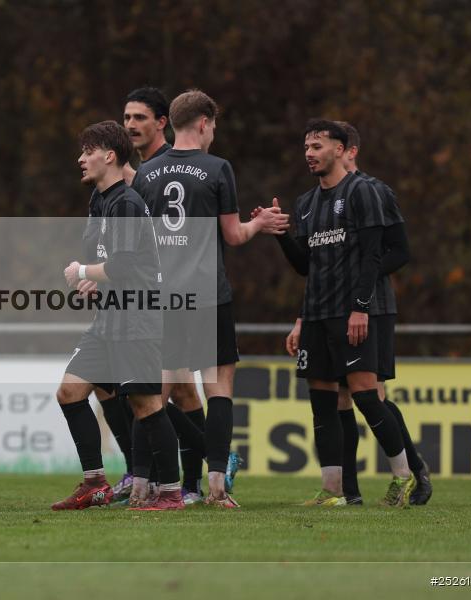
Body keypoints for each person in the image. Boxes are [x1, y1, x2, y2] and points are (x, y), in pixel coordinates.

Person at [131, 89, 289, 508]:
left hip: (161, 298)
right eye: (214, 126)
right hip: (207, 297)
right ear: (203, 123)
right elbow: (234, 236)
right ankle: (216, 486)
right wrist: (260, 223)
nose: (213, 133)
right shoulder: (218, 168)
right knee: (217, 389)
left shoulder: (146, 173)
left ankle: (141, 484)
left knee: (154, 392)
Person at [280, 121, 431, 505]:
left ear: (343, 149)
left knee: (367, 395)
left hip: (358, 310)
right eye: (306, 147)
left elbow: (378, 254)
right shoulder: (305, 202)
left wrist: (359, 305)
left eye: (317, 145)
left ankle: (405, 476)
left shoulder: (366, 191)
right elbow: (306, 267)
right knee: (324, 400)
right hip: (317, 312)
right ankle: (335, 491)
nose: (310, 153)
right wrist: (280, 233)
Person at [53, 120, 184, 511]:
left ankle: (172, 493)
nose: (80, 159)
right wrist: (97, 277)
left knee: (146, 406)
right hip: (108, 321)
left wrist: (81, 272)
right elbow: (115, 264)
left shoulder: (126, 202)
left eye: (87, 151)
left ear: (109, 156)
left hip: (136, 320)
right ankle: (95, 483)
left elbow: (125, 267)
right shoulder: (103, 200)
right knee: (69, 392)